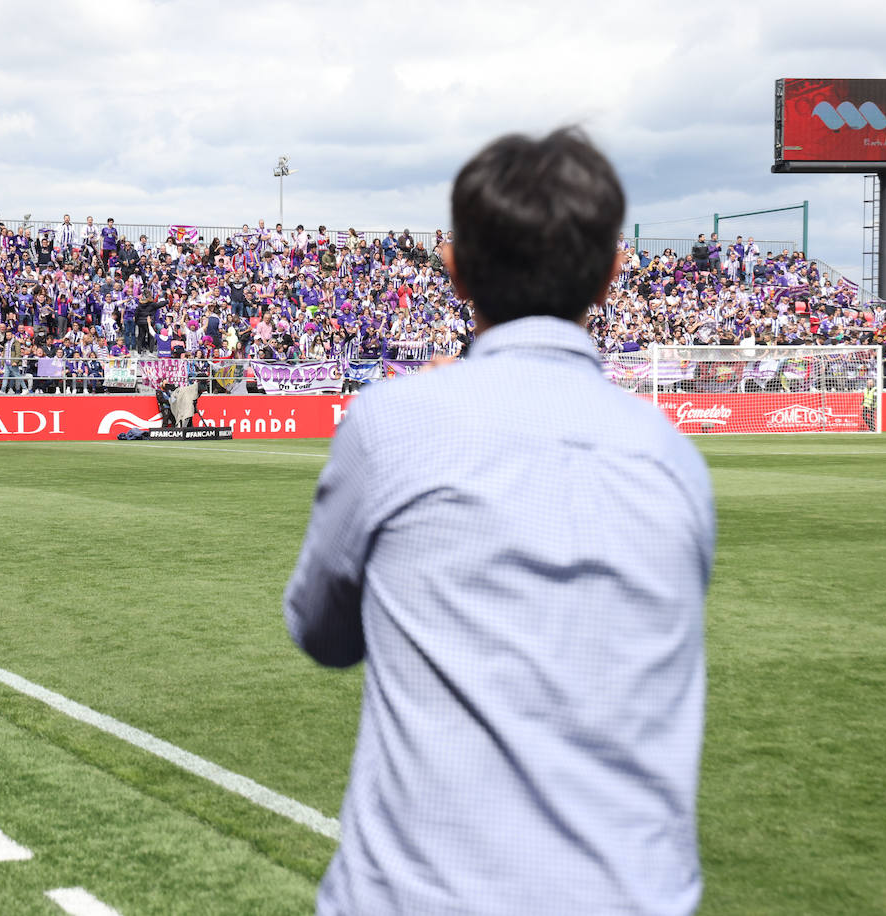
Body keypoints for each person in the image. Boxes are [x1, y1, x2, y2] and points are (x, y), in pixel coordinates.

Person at [284, 128, 716, 916]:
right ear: (615, 273)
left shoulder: (393, 425)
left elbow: (321, 632)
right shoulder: (674, 458)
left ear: (453, 267)